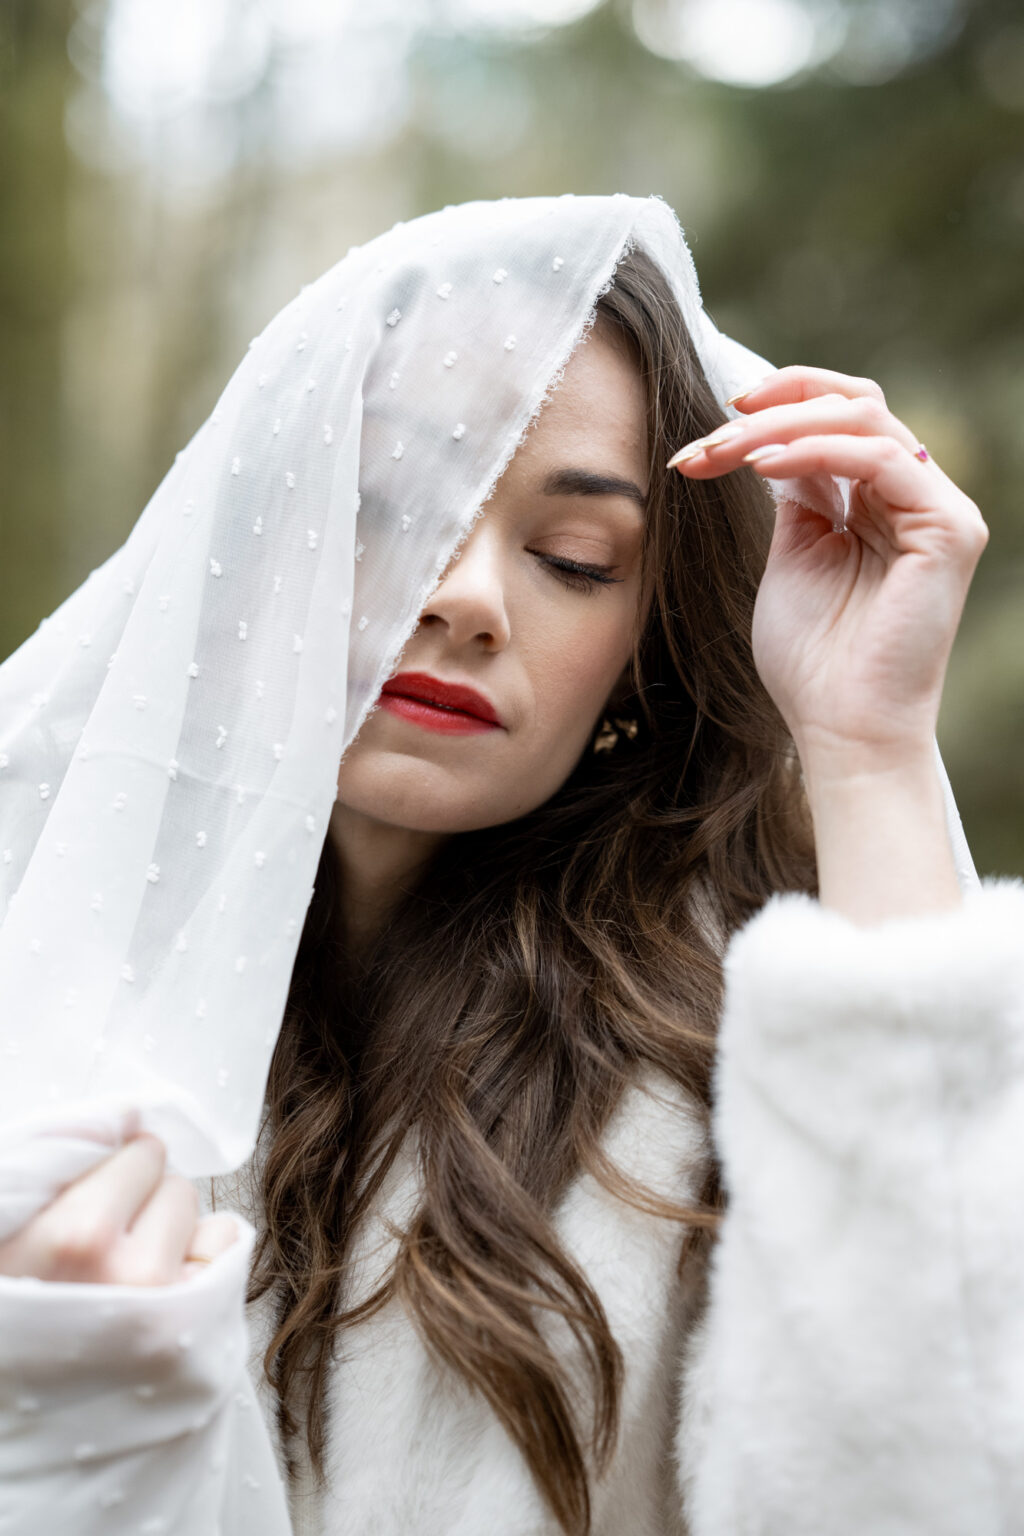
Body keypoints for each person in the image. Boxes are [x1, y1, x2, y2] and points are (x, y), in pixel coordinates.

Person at [0, 195, 1020, 1536]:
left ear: (638, 658)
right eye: (390, 504)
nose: (465, 593)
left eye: (572, 557)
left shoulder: (730, 1090)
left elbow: (931, 1476)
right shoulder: (54, 1005)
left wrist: (871, 744)